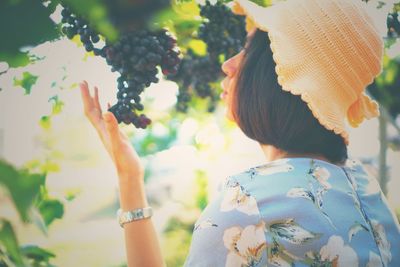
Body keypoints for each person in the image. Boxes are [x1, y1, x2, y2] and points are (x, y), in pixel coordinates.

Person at [79, 0, 400, 266]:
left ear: (283, 76)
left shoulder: (250, 203)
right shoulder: (364, 189)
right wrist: (130, 174)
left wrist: (128, 180)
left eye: (246, 51)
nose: (228, 65)